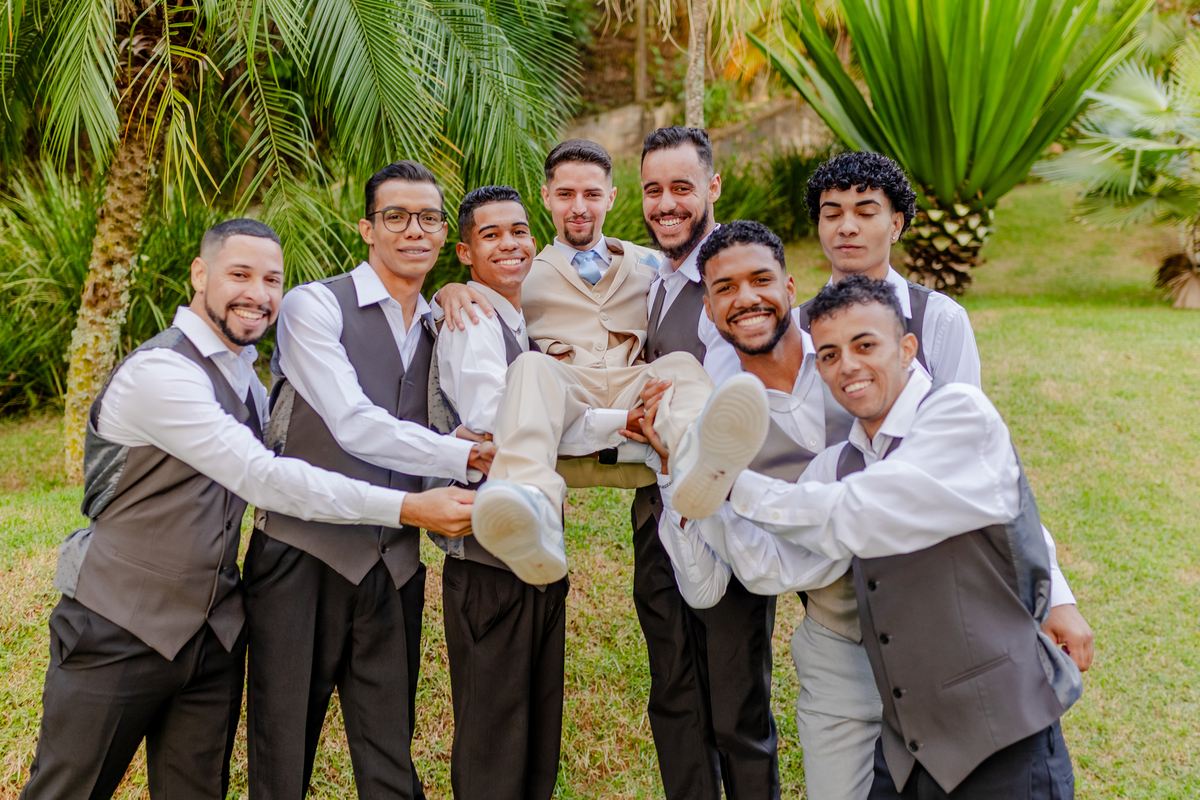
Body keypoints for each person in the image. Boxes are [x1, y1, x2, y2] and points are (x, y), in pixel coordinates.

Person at [19, 219, 473, 800]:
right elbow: (264, 477)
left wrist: (447, 293)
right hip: (116, 627)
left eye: (271, 280)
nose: (257, 294)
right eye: (240, 275)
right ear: (199, 274)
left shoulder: (246, 381)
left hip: (212, 638)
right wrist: (410, 507)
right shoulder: (162, 372)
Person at [645, 220, 1092, 800]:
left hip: (995, 721)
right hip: (893, 714)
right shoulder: (835, 459)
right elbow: (770, 566)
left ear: (907, 349)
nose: (847, 366)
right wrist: (688, 481)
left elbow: (864, 512)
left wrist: (726, 482)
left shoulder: (957, 413)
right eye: (830, 355)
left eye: (865, 347)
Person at [245, 162, 492, 800]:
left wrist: (457, 292)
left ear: (444, 234)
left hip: (394, 567)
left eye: (429, 218)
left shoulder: (445, 323)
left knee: (390, 760)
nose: (415, 230)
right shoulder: (313, 306)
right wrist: (462, 457)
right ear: (367, 228)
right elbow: (352, 423)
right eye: (396, 217)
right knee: (282, 756)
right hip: (301, 557)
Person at [440, 138, 769, 586]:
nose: (579, 207)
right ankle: (529, 502)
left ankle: (699, 463)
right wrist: (450, 292)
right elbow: (485, 295)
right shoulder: (522, 271)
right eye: (565, 194)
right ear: (546, 197)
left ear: (611, 197)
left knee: (680, 367)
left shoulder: (650, 263)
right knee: (531, 370)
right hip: (572, 401)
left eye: (592, 194)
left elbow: (701, 257)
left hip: (634, 390)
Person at [630, 128, 783, 800]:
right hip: (654, 514)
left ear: (713, 186)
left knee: (737, 710)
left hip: (727, 518)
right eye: (652, 190)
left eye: (681, 188)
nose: (666, 204)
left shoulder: (740, 280)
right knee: (674, 699)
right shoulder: (654, 279)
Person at [432, 185, 568, 800]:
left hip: (534, 554)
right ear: (465, 252)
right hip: (487, 563)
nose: (509, 244)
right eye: (491, 235)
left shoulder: (516, 322)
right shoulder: (472, 321)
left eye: (518, 231)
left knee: (535, 744)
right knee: (494, 746)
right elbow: (494, 417)